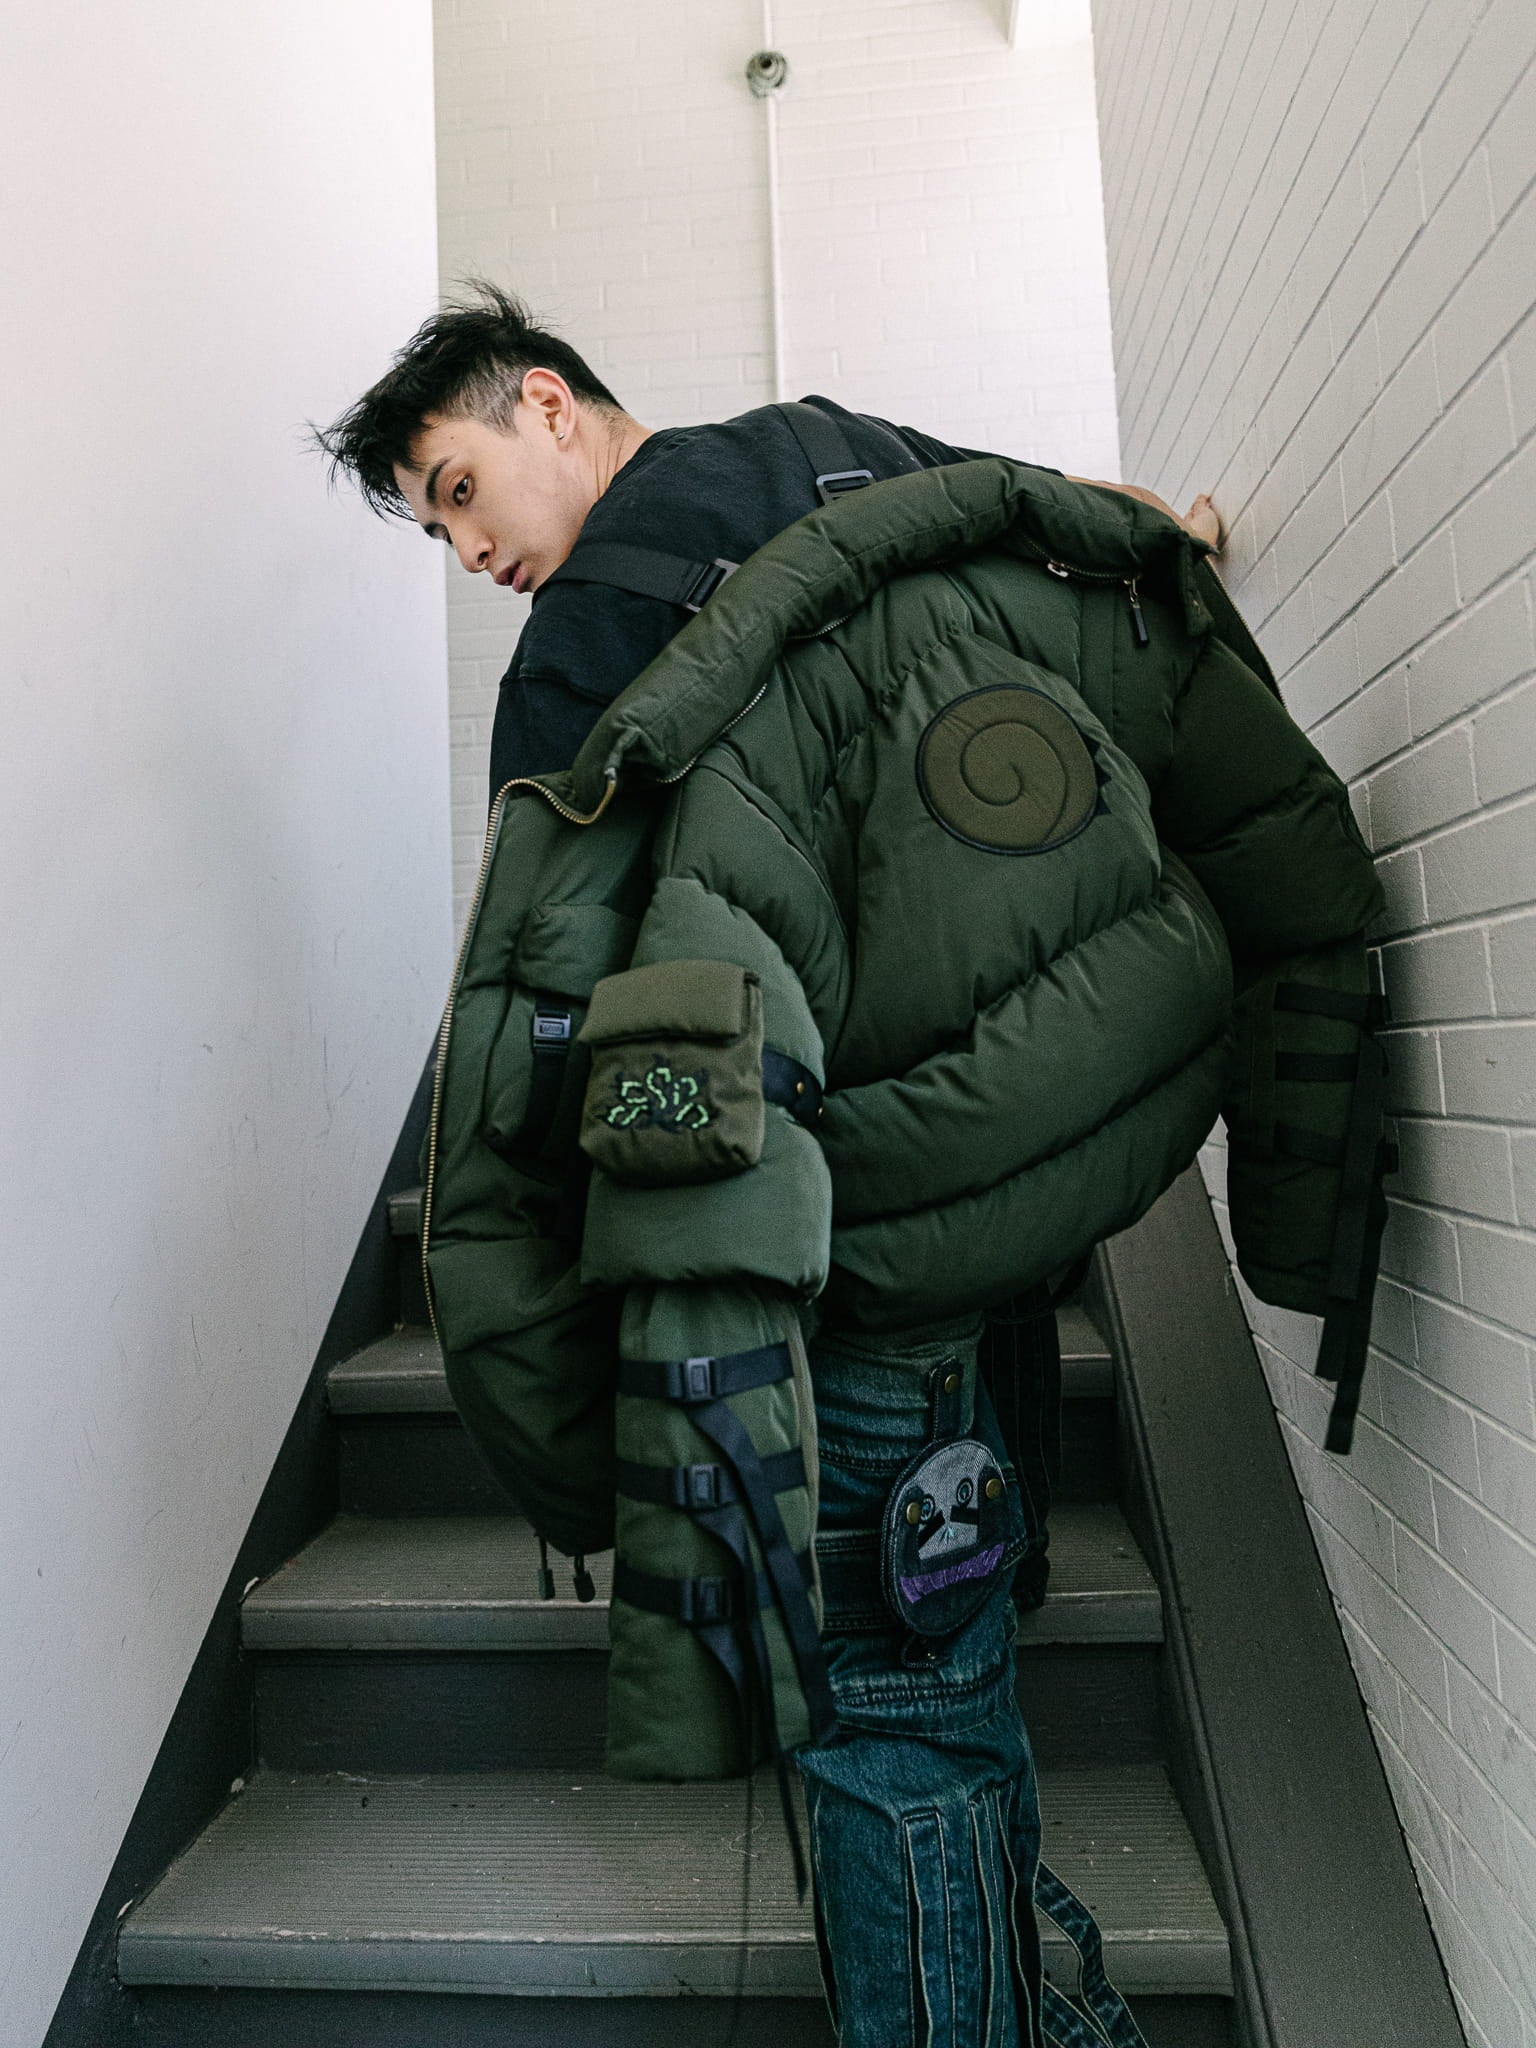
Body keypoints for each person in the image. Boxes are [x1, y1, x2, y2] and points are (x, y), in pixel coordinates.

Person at [316, 284, 1382, 2048]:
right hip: (1051, 1133)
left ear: (549, 405)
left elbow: (557, 1023)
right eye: (438, 527)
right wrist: (1169, 526)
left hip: (852, 1218)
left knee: (886, 1712)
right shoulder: (836, 447)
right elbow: (1060, 528)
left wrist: (586, 1321)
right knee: (955, 1631)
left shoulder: (585, 645)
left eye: (457, 489)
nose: (470, 550)